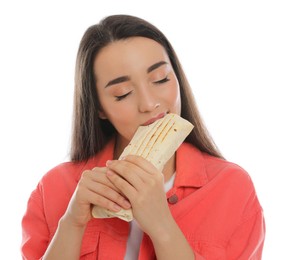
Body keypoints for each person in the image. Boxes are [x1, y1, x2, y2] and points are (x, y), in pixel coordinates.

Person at [21, 14, 265, 259]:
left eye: (160, 79)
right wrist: (72, 223)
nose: (149, 104)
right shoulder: (54, 188)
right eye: (123, 93)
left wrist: (163, 228)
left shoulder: (232, 188)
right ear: (99, 108)